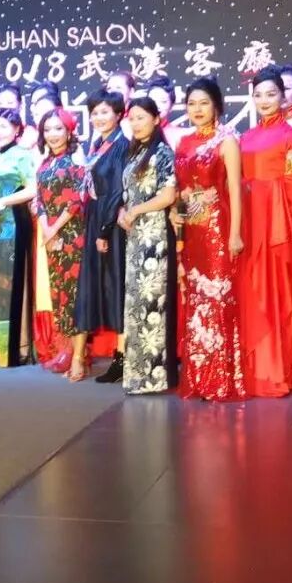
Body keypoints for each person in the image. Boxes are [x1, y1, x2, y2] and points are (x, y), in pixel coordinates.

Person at [239, 66, 292, 396]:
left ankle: (277, 369)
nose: (264, 100)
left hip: (278, 226)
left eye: (271, 94)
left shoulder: (290, 136)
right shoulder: (245, 137)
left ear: (284, 97)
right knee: (252, 290)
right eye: (258, 95)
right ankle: (254, 368)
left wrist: (263, 191)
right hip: (250, 225)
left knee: (277, 293)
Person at [173, 77, 247, 402]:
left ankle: (220, 379)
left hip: (218, 228)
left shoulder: (227, 141)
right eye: (192, 104)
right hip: (191, 231)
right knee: (195, 301)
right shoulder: (183, 142)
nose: (197, 109)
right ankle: (199, 378)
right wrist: (176, 213)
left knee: (217, 297)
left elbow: (235, 190)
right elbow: (180, 189)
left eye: (204, 103)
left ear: (216, 105)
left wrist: (235, 234)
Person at [117, 97, 178, 395]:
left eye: (141, 117)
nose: (136, 123)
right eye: (132, 118)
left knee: (154, 302)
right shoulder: (134, 152)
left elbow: (168, 196)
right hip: (135, 236)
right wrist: (123, 212)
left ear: (156, 119)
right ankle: (137, 374)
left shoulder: (162, 152)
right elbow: (128, 194)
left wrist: (137, 210)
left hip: (156, 235)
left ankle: (156, 376)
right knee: (137, 304)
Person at [75, 89, 128, 383]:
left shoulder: (122, 145)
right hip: (95, 217)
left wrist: (105, 228)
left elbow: (118, 190)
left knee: (117, 284)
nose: (99, 118)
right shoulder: (96, 144)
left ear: (119, 114)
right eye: (94, 113)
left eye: (105, 112)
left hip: (112, 223)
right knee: (97, 285)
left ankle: (122, 358)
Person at [33, 109, 88, 378]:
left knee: (74, 294)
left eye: (58, 129)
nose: (52, 135)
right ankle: (65, 349)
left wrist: (54, 230)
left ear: (69, 131)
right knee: (59, 294)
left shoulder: (75, 160)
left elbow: (76, 200)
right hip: (51, 238)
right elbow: (40, 201)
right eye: (47, 130)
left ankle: (78, 355)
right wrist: (46, 230)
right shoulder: (45, 164)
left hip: (72, 236)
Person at [0, 108, 36, 366]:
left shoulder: (22, 155)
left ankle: (21, 348)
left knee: (16, 284)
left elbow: (33, 188)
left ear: (17, 129)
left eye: (3, 126)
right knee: (1, 285)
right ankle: (4, 352)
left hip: (16, 223)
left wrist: (1, 202)